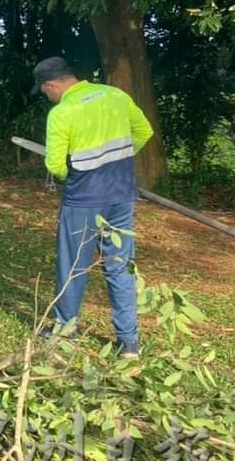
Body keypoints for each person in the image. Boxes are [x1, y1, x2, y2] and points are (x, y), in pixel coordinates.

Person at [32, 56, 153, 359]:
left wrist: (71, 170)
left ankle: (65, 329)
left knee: (73, 265)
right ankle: (128, 343)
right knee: (120, 266)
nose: (47, 97)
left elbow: (56, 166)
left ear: (51, 84)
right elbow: (144, 132)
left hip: (83, 200)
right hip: (122, 196)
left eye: (45, 92)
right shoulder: (116, 96)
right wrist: (117, 161)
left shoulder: (63, 112)